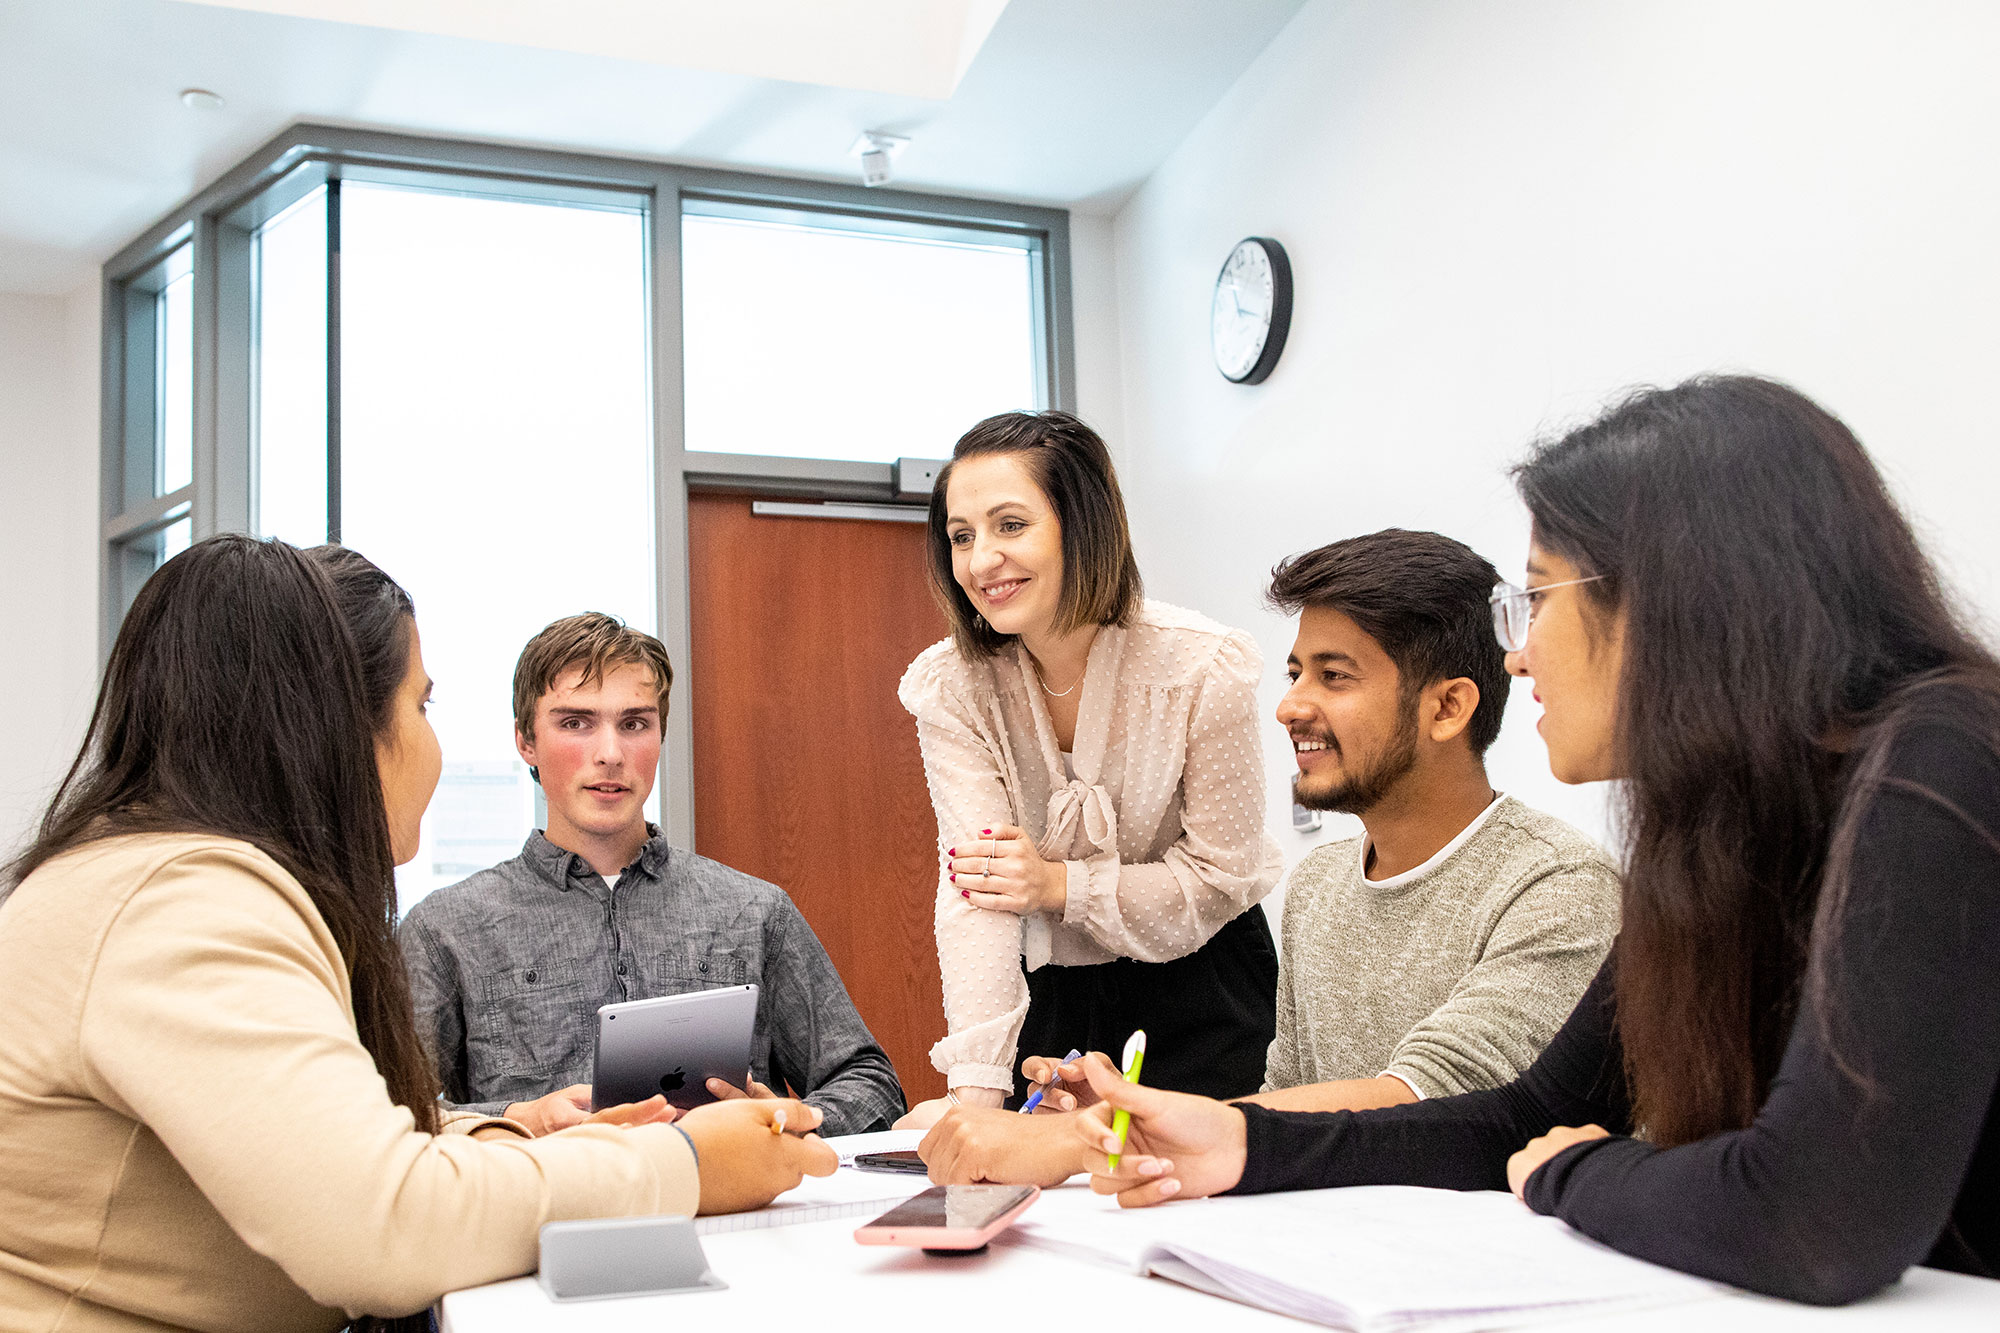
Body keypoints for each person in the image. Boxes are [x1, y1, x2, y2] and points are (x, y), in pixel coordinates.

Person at [1063, 376, 2000, 1305]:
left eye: (1541, 598)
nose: (1517, 650)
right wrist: (1241, 1144)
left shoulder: (1942, 757)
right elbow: (1528, 1115)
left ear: (1678, 596)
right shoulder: (1720, 834)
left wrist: (1579, 1172)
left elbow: (1812, 1216)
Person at [0, 538, 835, 1331]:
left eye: (634, 721)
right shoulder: (184, 903)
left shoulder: (167, 880)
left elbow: (354, 1145)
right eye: (421, 703)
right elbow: (382, 1221)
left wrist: (522, 1133)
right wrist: (685, 1164)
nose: (432, 742)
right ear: (328, 723)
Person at [920, 529, 1620, 1185]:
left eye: (1334, 677)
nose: (1289, 706)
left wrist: (1116, 1133)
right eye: (1294, 674)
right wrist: (1120, 1113)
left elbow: (1428, 1098)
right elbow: (1283, 1106)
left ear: (1447, 709)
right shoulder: (1319, 883)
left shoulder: (1558, 885)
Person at [896, 409, 1285, 1129]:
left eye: (1010, 525)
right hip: (1057, 994)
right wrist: (974, 1095)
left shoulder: (1202, 667)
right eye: (961, 535)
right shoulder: (952, 687)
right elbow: (976, 890)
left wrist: (1056, 883)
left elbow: (1220, 874)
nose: (981, 560)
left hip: (1207, 986)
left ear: (1083, 524)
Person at [399, 613, 904, 1137]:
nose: (610, 755)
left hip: (732, 1208)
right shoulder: (445, 930)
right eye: (575, 722)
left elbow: (871, 1084)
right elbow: (388, 1119)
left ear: (660, 735)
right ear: (527, 741)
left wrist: (784, 1117)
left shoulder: (754, 912)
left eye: (634, 724)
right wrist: (513, 1119)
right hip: (545, 1213)